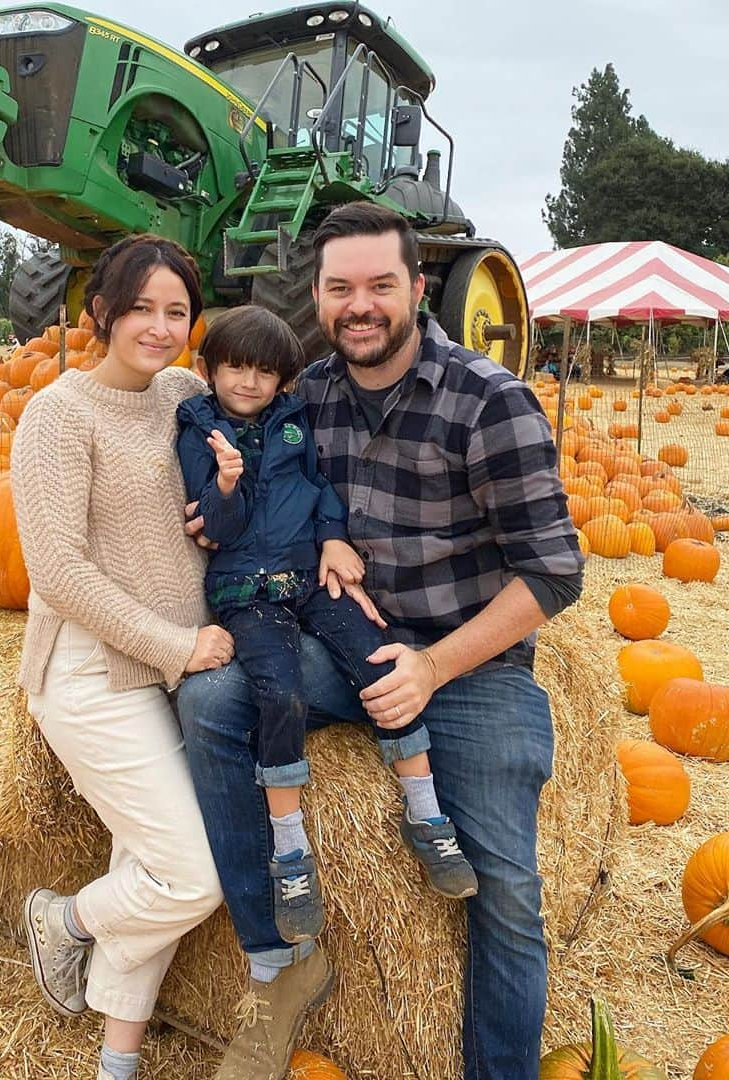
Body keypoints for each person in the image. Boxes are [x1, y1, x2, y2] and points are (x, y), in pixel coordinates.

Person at [177, 203, 584, 1080]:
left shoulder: (490, 401)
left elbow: (555, 572)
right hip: (340, 636)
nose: (358, 306)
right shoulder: (308, 397)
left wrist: (434, 666)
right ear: (317, 299)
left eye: (378, 286)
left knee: (507, 890)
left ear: (418, 288)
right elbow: (207, 415)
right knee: (209, 697)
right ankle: (276, 955)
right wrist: (217, 514)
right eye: (339, 289)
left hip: (464, 663)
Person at [176, 306, 477, 945]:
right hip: (247, 591)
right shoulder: (198, 430)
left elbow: (320, 489)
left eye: (265, 372)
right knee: (278, 691)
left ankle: (426, 814)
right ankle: (290, 854)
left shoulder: (293, 422)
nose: (250, 384)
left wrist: (335, 538)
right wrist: (225, 486)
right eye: (236, 369)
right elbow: (214, 532)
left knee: (378, 656)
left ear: (284, 380)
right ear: (210, 370)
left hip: (308, 574)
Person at [10, 234, 227, 1080]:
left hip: (172, 669)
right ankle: (62, 922)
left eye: (177, 310)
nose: (160, 326)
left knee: (148, 854)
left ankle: (117, 1062)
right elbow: (59, 571)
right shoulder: (59, 415)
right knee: (188, 877)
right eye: (140, 308)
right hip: (94, 676)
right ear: (100, 311)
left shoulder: (184, 392)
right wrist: (177, 645)